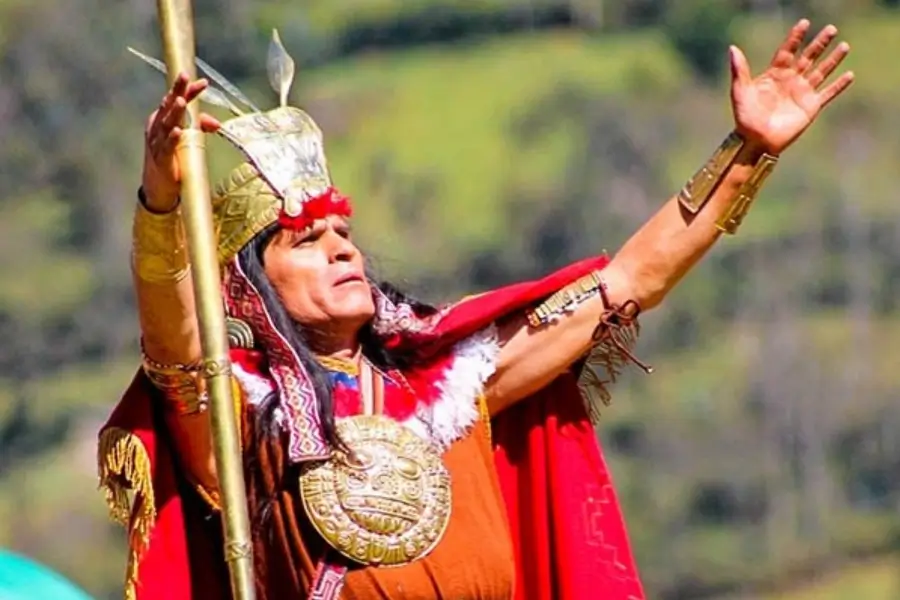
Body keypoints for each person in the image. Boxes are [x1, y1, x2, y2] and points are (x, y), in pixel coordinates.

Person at [98, 19, 853, 600]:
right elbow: (174, 338)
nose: (341, 252)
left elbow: (629, 282)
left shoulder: (454, 383)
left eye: (345, 235)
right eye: (305, 241)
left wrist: (750, 150)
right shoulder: (236, 411)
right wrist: (161, 201)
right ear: (246, 288)